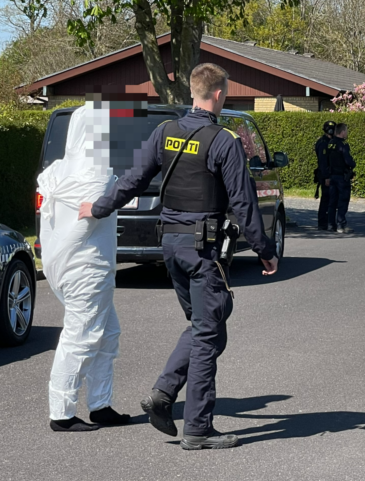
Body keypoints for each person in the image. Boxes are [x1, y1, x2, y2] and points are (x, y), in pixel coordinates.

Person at [78, 63, 277, 450]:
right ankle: (197, 428)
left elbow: (133, 179)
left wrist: (99, 208)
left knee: (207, 325)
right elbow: (244, 203)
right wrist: (266, 251)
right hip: (203, 250)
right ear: (218, 94)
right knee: (207, 334)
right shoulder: (224, 141)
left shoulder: (165, 132)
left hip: (170, 246)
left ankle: (163, 396)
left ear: (192, 92)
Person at [37, 102, 130, 432]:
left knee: (107, 333)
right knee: (81, 337)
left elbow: (49, 222)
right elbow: (89, 217)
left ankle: (100, 404)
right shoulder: (96, 172)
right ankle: (61, 413)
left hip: (65, 266)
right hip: (88, 266)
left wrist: (55, 260)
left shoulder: (57, 171)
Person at [322, 122, 356, 233]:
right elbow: (348, 161)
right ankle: (341, 225)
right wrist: (353, 164)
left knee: (332, 201)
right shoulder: (343, 145)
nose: (347, 133)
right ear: (342, 132)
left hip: (332, 177)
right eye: (346, 131)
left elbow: (326, 161)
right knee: (343, 201)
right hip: (342, 178)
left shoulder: (330, 144)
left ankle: (331, 225)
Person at [314, 120, 336, 229]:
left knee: (331, 199)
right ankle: (323, 223)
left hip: (330, 174)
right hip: (325, 175)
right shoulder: (323, 143)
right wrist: (326, 177)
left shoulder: (331, 142)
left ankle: (328, 221)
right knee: (326, 199)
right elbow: (323, 162)